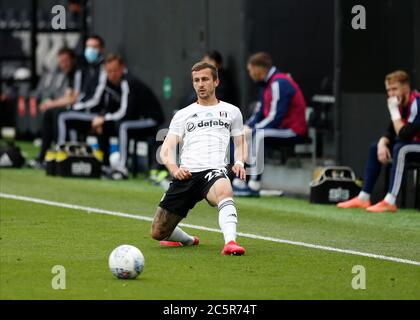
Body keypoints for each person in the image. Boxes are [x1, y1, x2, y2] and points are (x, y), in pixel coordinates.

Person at [151, 61, 247, 256]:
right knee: (158, 232)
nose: (200, 84)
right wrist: (174, 169)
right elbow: (166, 149)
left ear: (216, 81)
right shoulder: (183, 115)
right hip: (186, 174)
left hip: (214, 171)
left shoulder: (232, 111)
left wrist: (239, 162)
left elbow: (241, 143)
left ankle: (230, 242)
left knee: (224, 189)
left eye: (205, 79)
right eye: (196, 80)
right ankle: (188, 240)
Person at [58, 54, 164, 179]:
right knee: (104, 126)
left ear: (122, 68)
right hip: (134, 119)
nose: (112, 74)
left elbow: (124, 113)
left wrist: (104, 119)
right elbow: (113, 109)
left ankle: (121, 169)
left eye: (115, 71)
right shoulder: (112, 84)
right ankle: (105, 165)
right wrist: (103, 120)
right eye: (109, 71)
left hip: (151, 120)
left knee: (123, 126)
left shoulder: (128, 82)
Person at [338, 70, 420, 213]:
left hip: (413, 145)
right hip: (413, 145)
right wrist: (382, 143)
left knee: (401, 149)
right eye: (388, 90)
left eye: (395, 89)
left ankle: (390, 201)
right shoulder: (401, 104)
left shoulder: (417, 103)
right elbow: (391, 130)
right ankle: (364, 197)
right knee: (375, 147)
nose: (391, 94)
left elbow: (405, 135)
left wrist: (394, 111)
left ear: (406, 87)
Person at [232, 52, 307, 196]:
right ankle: (239, 182)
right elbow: (259, 113)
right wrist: (247, 126)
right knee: (243, 134)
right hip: (278, 129)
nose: (250, 74)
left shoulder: (279, 83)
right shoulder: (265, 85)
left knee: (258, 135)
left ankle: (254, 185)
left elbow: (275, 118)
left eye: (250, 70)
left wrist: (253, 129)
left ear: (260, 68)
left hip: (293, 131)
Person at [31, 47, 82, 167]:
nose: (63, 64)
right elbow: (67, 96)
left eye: (66, 61)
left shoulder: (79, 73)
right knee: (50, 112)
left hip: (84, 109)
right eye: (61, 61)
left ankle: (61, 156)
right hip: (74, 108)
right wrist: (50, 104)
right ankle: (43, 157)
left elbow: (74, 98)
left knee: (57, 114)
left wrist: (51, 103)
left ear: (73, 60)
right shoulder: (70, 75)